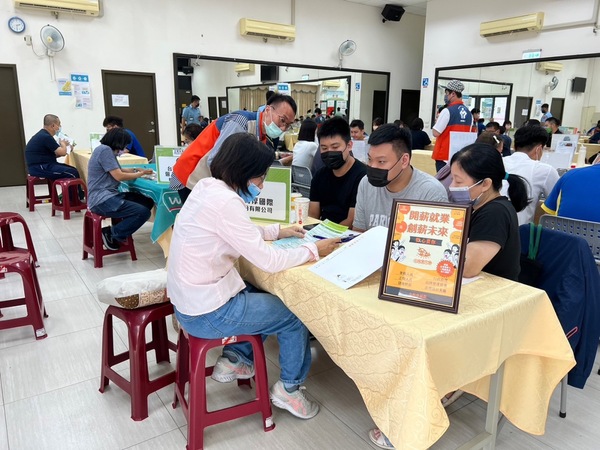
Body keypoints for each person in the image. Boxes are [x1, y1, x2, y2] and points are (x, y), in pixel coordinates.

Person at [167, 133, 339, 420]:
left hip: (188, 302)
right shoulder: (226, 202)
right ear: (244, 171)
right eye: (261, 177)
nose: (262, 185)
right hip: (205, 313)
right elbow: (269, 261)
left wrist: (276, 231)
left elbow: (237, 231)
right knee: (293, 313)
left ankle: (237, 358)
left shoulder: (208, 187)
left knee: (256, 292)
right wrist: (313, 249)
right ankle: (289, 388)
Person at [369, 143, 529, 450]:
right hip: (466, 292)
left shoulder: (495, 212)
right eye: (451, 178)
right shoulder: (477, 206)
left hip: (490, 305)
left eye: (458, 180)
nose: (452, 187)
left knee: (416, 334)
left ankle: (414, 416)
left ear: (485, 183)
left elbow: (468, 266)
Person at [170, 93, 296, 204]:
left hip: (210, 182)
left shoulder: (263, 135)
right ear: (268, 109)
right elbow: (217, 162)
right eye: (282, 120)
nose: (283, 128)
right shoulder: (240, 122)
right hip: (192, 174)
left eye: (288, 125)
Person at [353, 124, 448, 232]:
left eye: (381, 161)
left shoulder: (430, 192)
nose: (373, 166)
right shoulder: (366, 183)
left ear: (404, 160)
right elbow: (359, 232)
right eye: (370, 159)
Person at [86, 128, 155, 251]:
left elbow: (119, 169)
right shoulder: (105, 151)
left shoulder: (105, 150)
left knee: (147, 201)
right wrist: (139, 174)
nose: (124, 148)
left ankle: (122, 228)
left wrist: (137, 170)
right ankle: (112, 233)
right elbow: (119, 176)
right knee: (143, 212)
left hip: (110, 195)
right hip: (101, 199)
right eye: (124, 144)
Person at [309, 118, 367, 226]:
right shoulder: (319, 176)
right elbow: (313, 216)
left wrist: (328, 233)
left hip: (347, 233)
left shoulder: (362, 177)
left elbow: (351, 221)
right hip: (321, 231)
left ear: (349, 145)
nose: (329, 152)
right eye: (324, 148)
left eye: (335, 147)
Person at [501, 125, 559, 225]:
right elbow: (558, 203)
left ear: (514, 145)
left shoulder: (497, 161)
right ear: (539, 149)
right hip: (520, 231)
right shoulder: (544, 170)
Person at [25, 114, 81, 183]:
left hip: (42, 165)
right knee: (72, 173)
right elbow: (62, 152)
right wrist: (63, 143)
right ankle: (75, 190)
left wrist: (68, 148)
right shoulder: (45, 137)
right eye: (59, 124)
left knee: (73, 169)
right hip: (40, 167)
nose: (60, 127)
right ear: (53, 126)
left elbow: (55, 154)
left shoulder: (43, 135)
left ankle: (72, 190)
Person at [432, 80, 473, 172]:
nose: (446, 96)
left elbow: (435, 132)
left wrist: (437, 121)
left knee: (443, 181)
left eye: (447, 93)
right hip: (460, 157)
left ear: (453, 94)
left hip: (444, 157)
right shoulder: (469, 114)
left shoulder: (447, 111)